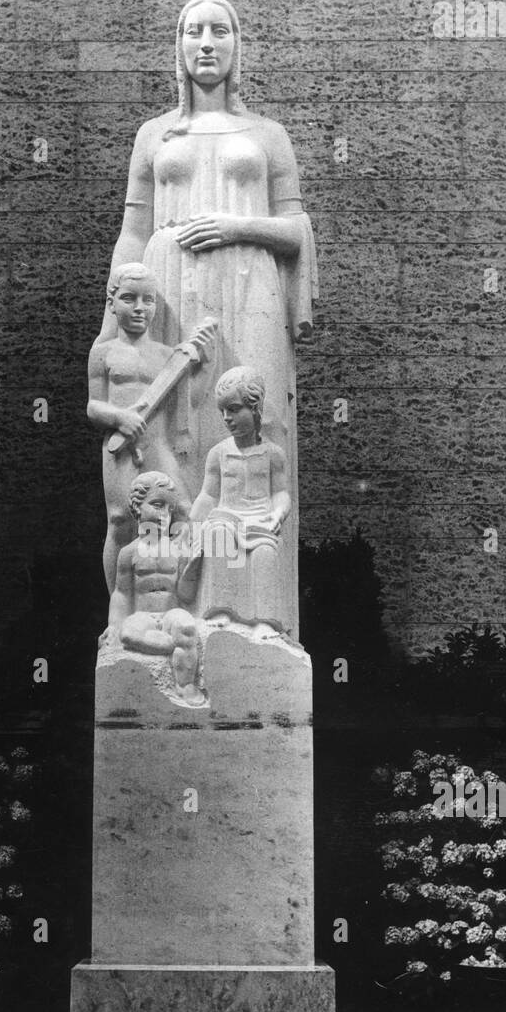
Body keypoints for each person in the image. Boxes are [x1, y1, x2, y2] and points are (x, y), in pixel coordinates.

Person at [90, 0, 317, 637]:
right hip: (167, 282)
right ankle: (171, 613)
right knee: (175, 435)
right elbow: (132, 233)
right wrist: (115, 319)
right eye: (194, 32)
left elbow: (297, 227)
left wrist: (238, 225)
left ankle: (254, 616)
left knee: (256, 419)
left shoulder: (269, 135)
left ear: (238, 45)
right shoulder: (155, 134)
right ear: (180, 46)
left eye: (220, 31)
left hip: (251, 280)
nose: (207, 43)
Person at [87, 262, 215, 592]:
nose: (140, 308)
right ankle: (119, 606)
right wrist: (119, 418)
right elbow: (93, 405)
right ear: (111, 303)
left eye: (149, 299)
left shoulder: (166, 355)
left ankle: (178, 591)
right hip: (121, 451)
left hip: (159, 445)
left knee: (183, 511)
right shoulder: (103, 354)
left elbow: (189, 405)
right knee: (119, 521)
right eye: (129, 298)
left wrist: (203, 365)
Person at [189, 366, 290, 638]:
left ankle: (266, 620)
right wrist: (192, 523)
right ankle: (222, 609)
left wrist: (278, 513)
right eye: (223, 411)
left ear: (255, 408)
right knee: (219, 535)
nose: (227, 418)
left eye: (233, 409)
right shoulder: (218, 453)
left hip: (259, 520)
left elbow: (280, 493)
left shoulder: (273, 454)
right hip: (227, 517)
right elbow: (208, 495)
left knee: (264, 553)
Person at [106, 471, 205, 705]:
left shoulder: (179, 550)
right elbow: (122, 594)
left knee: (187, 627)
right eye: (158, 505)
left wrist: (191, 570)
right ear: (138, 507)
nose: (164, 514)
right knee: (127, 633)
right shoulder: (129, 553)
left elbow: (186, 596)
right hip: (143, 616)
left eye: (169, 509)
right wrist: (113, 626)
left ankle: (185, 685)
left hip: (170, 613)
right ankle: (166, 645)